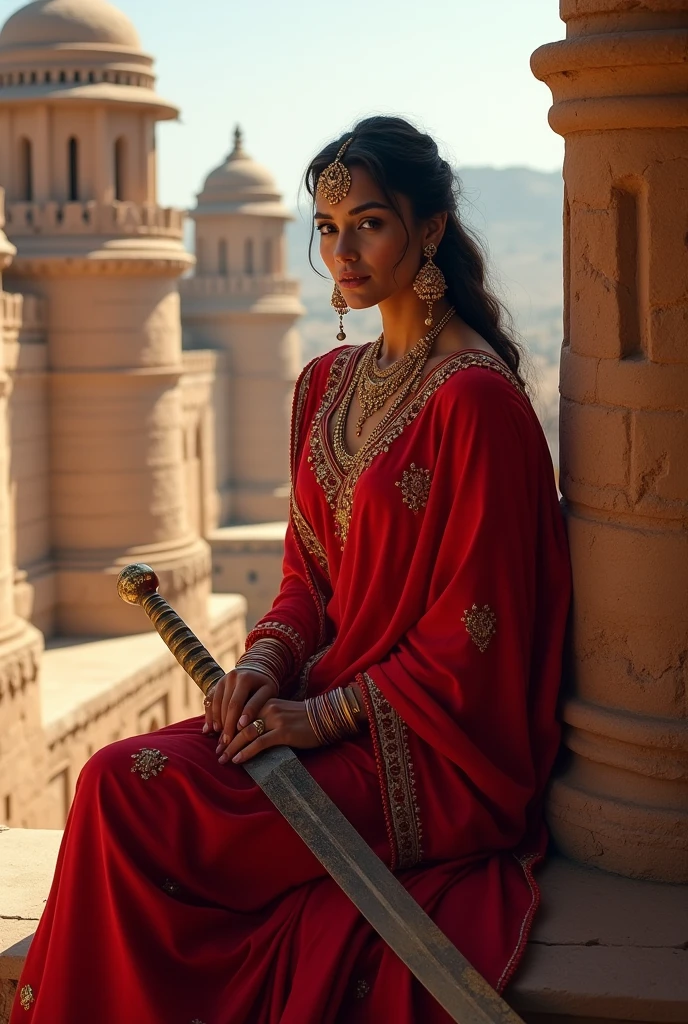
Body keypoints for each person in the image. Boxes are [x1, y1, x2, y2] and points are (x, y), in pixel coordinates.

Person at [11, 115, 571, 1024]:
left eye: (369, 223)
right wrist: (262, 667)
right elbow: (306, 579)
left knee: (142, 806)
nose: (342, 250)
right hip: (313, 708)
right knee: (115, 780)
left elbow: (477, 637)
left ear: (428, 229)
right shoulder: (325, 383)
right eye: (325, 226)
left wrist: (319, 717)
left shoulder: (475, 402)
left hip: (431, 749)